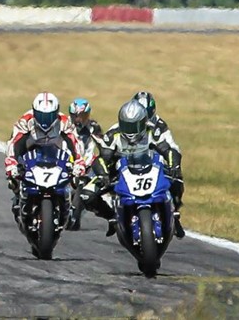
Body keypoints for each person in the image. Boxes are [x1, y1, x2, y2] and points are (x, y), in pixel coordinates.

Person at [80, 98, 186, 238]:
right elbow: (101, 159)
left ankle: (174, 213)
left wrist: (174, 165)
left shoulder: (152, 131)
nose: (130, 131)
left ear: (142, 122)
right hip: (118, 172)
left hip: (149, 167)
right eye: (127, 126)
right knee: (87, 194)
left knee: (176, 180)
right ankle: (112, 217)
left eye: (134, 126)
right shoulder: (113, 134)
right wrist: (104, 175)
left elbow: (168, 150)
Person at [4, 92, 85, 216]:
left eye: (49, 116)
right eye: (41, 116)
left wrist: (79, 161)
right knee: (14, 176)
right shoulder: (26, 120)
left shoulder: (64, 121)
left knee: (74, 175)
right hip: (30, 151)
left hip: (56, 152)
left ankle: (67, 201)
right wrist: (12, 162)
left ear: (56, 113)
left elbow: (75, 142)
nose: (45, 121)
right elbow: (14, 142)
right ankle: (19, 197)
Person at [69, 97, 102, 167]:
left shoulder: (93, 128)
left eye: (82, 116)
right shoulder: (65, 125)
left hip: (86, 163)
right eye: (76, 116)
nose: (78, 120)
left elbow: (97, 147)